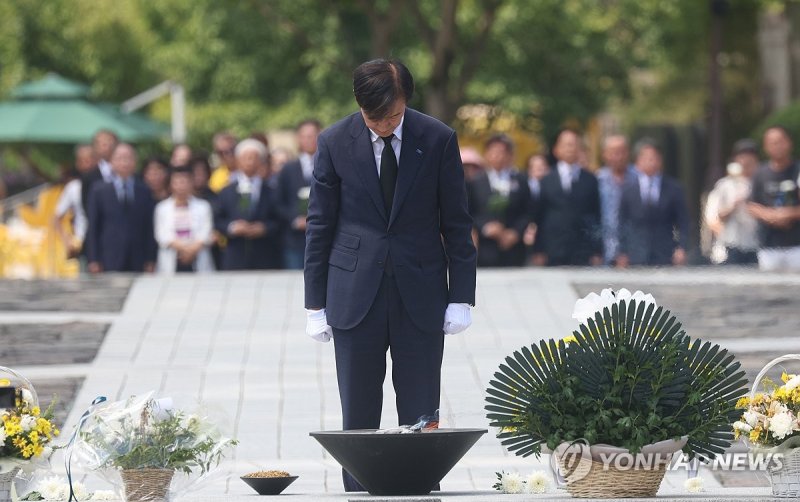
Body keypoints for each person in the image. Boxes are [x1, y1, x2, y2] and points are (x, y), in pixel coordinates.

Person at [304, 59, 477, 492]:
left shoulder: (437, 138)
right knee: (358, 413)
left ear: (406, 101)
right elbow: (320, 225)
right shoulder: (334, 141)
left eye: (393, 115)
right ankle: (357, 493)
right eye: (373, 117)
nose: (384, 125)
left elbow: (457, 222)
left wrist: (461, 296)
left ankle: (421, 490)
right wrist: (314, 304)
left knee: (421, 410)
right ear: (358, 103)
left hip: (420, 289)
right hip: (353, 292)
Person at [534, 129, 603, 266]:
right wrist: (538, 249)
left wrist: (597, 250)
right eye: (566, 145)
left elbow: (596, 216)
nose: (570, 149)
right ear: (556, 150)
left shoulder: (590, 180)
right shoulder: (546, 180)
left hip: (582, 249)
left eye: (574, 145)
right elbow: (539, 217)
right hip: (553, 248)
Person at [617, 138, 689, 267]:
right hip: (636, 254)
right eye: (646, 158)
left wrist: (681, 247)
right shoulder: (628, 189)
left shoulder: (673, 188)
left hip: (665, 253)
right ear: (637, 161)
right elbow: (622, 222)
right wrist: (622, 251)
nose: (651, 162)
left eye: (655, 158)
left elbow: (683, 221)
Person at [87, 144, 157, 273]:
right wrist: (93, 259)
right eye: (120, 158)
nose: (124, 162)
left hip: (138, 256)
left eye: (128, 158)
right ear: (111, 162)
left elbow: (149, 227)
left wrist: (150, 258)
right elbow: (93, 227)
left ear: (135, 162)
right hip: (108, 255)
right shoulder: (99, 190)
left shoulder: (144, 190)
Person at [214, 139, 283, 270]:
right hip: (235, 256)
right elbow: (217, 220)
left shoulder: (271, 191)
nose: (249, 161)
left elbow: (279, 219)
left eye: (254, 158)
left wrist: (264, 228)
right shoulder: (226, 191)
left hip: (265, 256)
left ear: (261, 162)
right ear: (237, 160)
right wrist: (232, 227)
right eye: (245, 157)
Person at [466, 134, 530, 267]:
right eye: (493, 152)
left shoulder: (521, 180)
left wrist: (516, 232)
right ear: (486, 154)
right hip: (486, 247)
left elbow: (527, 211)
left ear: (510, 155)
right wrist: (485, 227)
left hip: (514, 247)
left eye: (502, 152)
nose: (497, 156)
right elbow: (469, 212)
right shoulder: (475, 182)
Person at [748, 126, 800, 271]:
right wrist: (769, 215)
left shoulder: (797, 170)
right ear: (765, 147)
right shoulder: (759, 173)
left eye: (781, 141)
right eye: (772, 143)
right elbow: (751, 205)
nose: (777, 146)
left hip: (797, 246)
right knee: (768, 285)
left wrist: (787, 214)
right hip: (769, 247)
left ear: (789, 143)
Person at [705, 139, 760, 265]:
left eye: (750, 157)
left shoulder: (760, 183)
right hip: (732, 244)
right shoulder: (724, 185)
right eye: (742, 157)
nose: (746, 161)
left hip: (756, 244)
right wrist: (733, 206)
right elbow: (715, 217)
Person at [276, 120, 321, 269]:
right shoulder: (288, 169)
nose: (308, 140)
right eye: (304, 136)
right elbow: (278, 202)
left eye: (312, 136)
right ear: (298, 138)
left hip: (321, 236)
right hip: (294, 239)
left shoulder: (329, 164)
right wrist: (295, 219)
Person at [154, 167, 215, 273]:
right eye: (177, 182)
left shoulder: (203, 206)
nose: (181, 186)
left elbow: (206, 233)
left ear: (191, 183)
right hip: (172, 257)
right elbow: (162, 235)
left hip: (198, 257)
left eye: (184, 182)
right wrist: (183, 249)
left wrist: (191, 250)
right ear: (170, 185)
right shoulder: (162, 208)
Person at [597, 135, 637, 265]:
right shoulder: (597, 180)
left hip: (635, 250)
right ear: (604, 154)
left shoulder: (639, 178)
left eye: (622, 151)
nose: (618, 156)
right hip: (604, 250)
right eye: (613, 152)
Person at [53, 144, 96, 260]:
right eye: (82, 161)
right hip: (82, 243)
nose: (86, 164)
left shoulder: (106, 185)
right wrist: (67, 240)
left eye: (89, 160)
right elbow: (56, 217)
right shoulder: (73, 187)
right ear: (77, 164)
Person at [81, 129, 118, 214]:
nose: (107, 145)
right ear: (95, 148)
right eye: (102, 143)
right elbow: (87, 205)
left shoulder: (130, 175)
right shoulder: (89, 177)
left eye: (109, 141)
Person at [523, 154, 550, 262]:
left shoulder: (554, 187)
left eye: (542, 166)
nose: (540, 169)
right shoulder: (523, 186)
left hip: (547, 234)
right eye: (535, 167)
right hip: (525, 233)